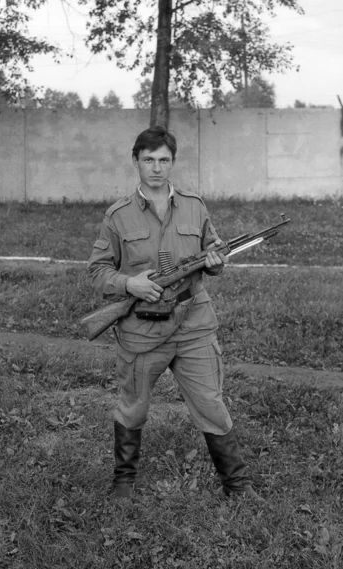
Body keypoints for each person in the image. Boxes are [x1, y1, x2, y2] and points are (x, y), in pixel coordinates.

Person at [87, 126, 264, 504]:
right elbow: (98, 272)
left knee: (210, 403)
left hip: (194, 322)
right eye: (148, 160)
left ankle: (237, 485)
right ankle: (123, 483)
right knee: (133, 406)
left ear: (172, 162)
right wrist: (130, 285)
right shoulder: (117, 216)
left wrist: (216, 261)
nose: (156, 168)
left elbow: (212, 257)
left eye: (163, 160)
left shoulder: (195, 206)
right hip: (141, 328)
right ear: (136, 161)